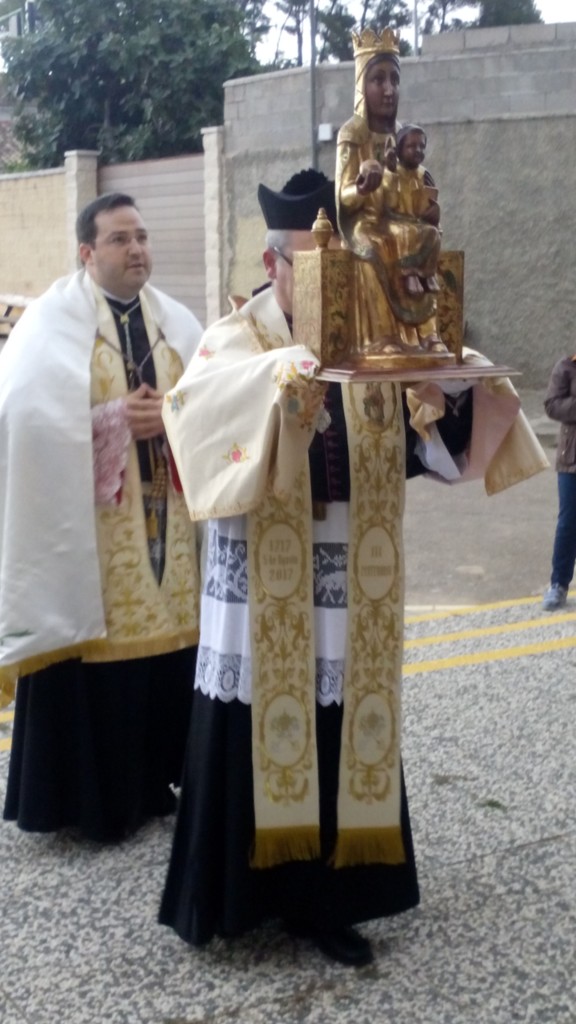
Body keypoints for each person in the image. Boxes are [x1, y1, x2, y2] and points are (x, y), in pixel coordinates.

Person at [157, 167, 548, 967]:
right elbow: (194, 422)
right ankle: (235, 897)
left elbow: (424, 449)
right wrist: (284, 381)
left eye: (348, 270)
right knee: (256, 727)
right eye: (319, 268)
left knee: (338, 729)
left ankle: (327, 903)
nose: (340, 285)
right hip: (263, 584)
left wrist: (442, 381)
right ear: (274, 266)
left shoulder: (370, 341)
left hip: (348, 586)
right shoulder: (237, 341)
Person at [0, 192, 203, 842]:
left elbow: (212, 400)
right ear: (87, 253)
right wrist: (115, 420)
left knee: (165, 658)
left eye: (142, 236)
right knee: (101, 661)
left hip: (169, 521)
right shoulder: (48, 325)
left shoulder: (176, 321)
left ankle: (153, 782)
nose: (137, 248)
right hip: (92, 533)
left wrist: (173, 414)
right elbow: (25, 420)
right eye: (120, 239)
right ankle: (97, 804)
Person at [336, 27, 448, 358]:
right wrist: (360, 187)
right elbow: (342, 193)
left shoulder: (404, 135)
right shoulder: (352, 133)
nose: (389, 90)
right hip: (366, 223)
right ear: (362, 85)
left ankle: (427, 335)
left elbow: (419, 180)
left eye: (395, 80)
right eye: (379, 80)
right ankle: (381, 338)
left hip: (403, 220)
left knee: (426, 236)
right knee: (375, 246)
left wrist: (430, 207)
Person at [383, 124, 441, 298]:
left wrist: (435, 211)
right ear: (400, 149)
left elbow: (431, 199)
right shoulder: (393, 172)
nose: (418, 150)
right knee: (407, 233)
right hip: (395, 220)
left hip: (419, 222)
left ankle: (427, 273)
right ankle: (410, 274)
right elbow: (388, 202)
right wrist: (390, 173)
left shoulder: (424, 175)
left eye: (421, 146)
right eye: (411, 146)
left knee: (433, 233)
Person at [542, 353, 576, 610]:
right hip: (572, 460)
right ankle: (559, 585)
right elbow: (552, 405)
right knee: (568, 523)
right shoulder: (566, 366)